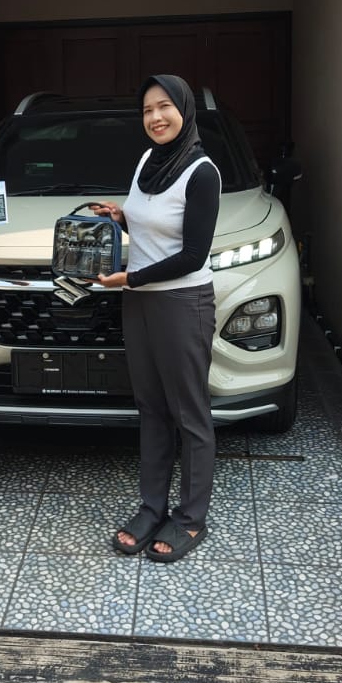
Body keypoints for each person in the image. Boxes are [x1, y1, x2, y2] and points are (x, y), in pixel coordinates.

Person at [90, 75, 221, 563]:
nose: (155, 117)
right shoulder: (148, 160)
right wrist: (121, 216)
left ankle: (190, 518)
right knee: (151, 408)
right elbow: (153, 220)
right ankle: (152, 507)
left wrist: (130, 278)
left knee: (190, 413)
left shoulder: (202, 173)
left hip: (182, 303)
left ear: (184, 109)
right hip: (140, 303)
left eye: (164, 106)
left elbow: (191, 255)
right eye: (147, 110)